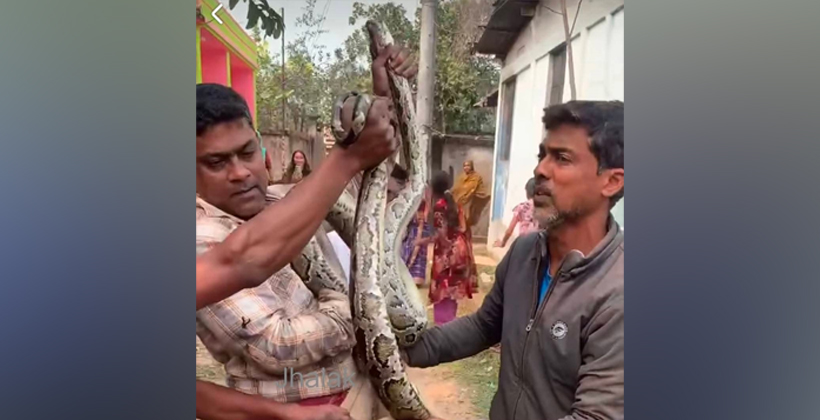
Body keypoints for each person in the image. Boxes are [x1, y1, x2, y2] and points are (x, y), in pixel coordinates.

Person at [195, 43, 419, 420]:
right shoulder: (200, 238)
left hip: (353, 392)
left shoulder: (280, 200)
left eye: (247, 153)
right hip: (293, 408)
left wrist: (383, 99)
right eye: (217, 162)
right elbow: (278, 345)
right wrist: (360, 306)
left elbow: (365, 186)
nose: (240, 172)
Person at [404, 100, 624, 420]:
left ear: (611, 181)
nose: (540, 170)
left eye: (562, 158)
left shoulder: (618, 291)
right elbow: (483, 326)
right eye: (542, 155)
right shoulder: (524, 252)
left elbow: (596, 415)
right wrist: (401, 351)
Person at [414, 171, 476, 325]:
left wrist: (421, 241)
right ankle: (449, 325)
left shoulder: (439, 207)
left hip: (446, 255)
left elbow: (440, 235)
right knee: (452, 292)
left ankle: (442, 327)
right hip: (460, 252)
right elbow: (463, 228)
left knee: (442, 291)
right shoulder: (456, 204)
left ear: (433, 188)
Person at [493, 177, 539, 248]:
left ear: (527, 191)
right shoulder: (544, 208)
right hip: (538, 244)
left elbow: (509, 230)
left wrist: (503, 243)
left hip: (523, 244)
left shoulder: (521, 207)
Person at [451, 160, 490, 239]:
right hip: (459, 204)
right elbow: (456, 189)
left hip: (470, 203)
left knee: (466, 224)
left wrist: (465, 197)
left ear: (471, 166)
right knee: (460, 224)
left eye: (468, 165)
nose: (466, 167)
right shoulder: (461, 177)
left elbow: (473, 189)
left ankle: (467, 242)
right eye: (464, 166)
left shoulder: (476, 177)